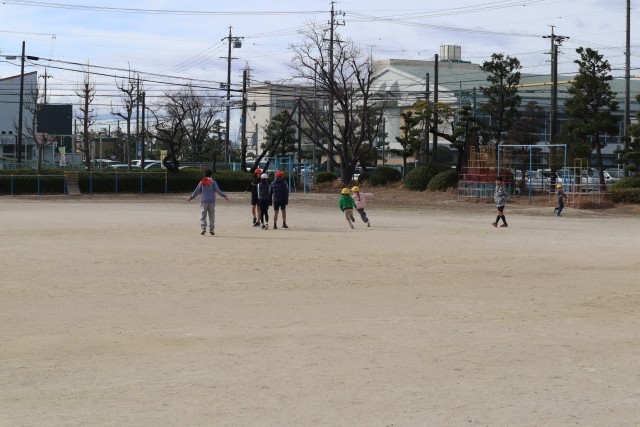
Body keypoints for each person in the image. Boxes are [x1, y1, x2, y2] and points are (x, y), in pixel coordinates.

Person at [186, 168, 228, 235]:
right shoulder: (213, 182)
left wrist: (191, 198)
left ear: (204, 175)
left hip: (204, 201)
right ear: (211, 175)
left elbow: (196, 191)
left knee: (203, 215)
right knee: (211, 215)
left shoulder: (202, 182)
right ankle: (211, 229)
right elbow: (218, 190)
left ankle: (203, 228)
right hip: (211, 201)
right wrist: (224, 196)